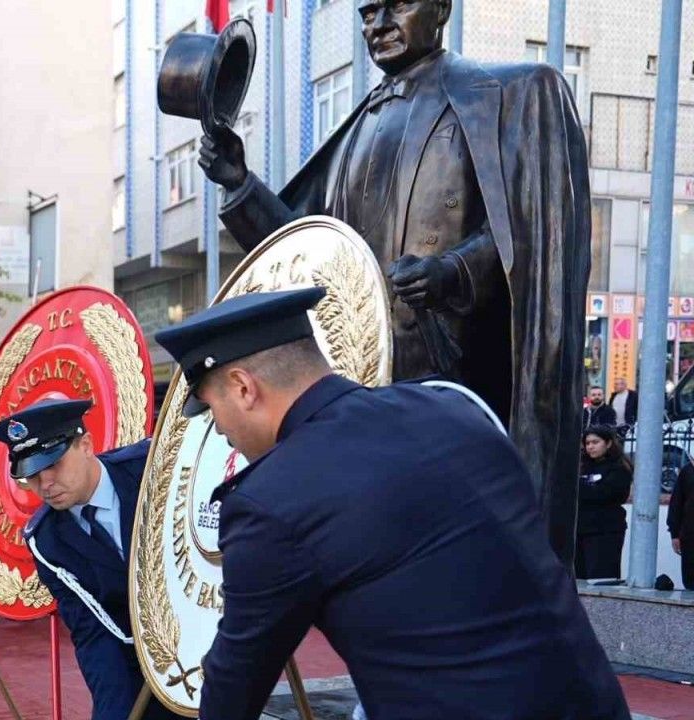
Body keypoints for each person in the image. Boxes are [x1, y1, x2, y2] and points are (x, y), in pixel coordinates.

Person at [196, 0, 590, 566]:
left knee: (459, 560)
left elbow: (531, 233)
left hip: (456, 400)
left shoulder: (510, 93)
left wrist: (453, 270)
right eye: (367, 13)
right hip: (363, 397)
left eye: (396, 5)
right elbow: (307, 253)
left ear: (442, 7)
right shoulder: (356, 131)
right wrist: (240, 183)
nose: (378, 26)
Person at [153, 287, 629, 720]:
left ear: (243, 387)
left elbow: (236, 681)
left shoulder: (271, 500)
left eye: (212, 409)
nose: (219, 428)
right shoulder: (453, 409)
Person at [5, 400, 182, 720]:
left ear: (85, 445)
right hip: (137, 660)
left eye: (53, 464)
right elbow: (93, 633)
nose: (45, 484)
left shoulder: (154, 467)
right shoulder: (47, 540)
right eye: (31, 475)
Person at [576, 426, 634, 580]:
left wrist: (580, 488)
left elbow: (606, 493)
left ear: (608, 443)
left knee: (601, 577)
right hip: (581, 530)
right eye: (587, 443)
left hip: (605, 531)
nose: (590, 447)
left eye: (595, 442)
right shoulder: (582, 466)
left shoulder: (619, 467)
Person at [667, 460, 694, 590]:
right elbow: (676, 503)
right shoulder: (688, 471)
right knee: (690, 583)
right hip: (690, 536)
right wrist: (674, 534)